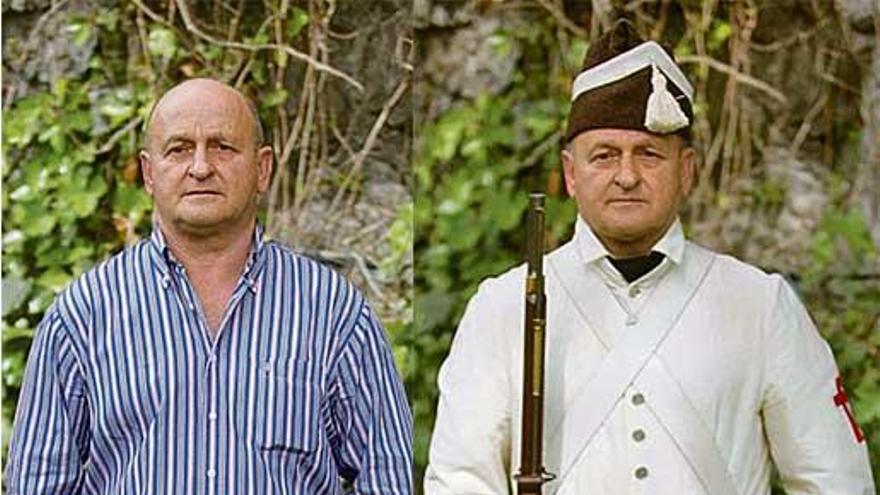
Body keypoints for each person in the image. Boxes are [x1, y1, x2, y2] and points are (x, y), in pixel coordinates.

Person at [424, 20, 875, 494]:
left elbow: (835, 482)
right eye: (604, 155)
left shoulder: (761, 306)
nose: (626, 176)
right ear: (570, 173)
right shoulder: (501, 308)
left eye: (648, 154)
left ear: (686, 171)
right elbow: (461, 482)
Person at [6, 78, 413, 494]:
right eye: (179, 148)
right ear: (149, 173)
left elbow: (386, 478)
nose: (201, 167)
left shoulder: (333, 313)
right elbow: (37, 486)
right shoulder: (84, 315)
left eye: (222, 146)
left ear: (262, 168)